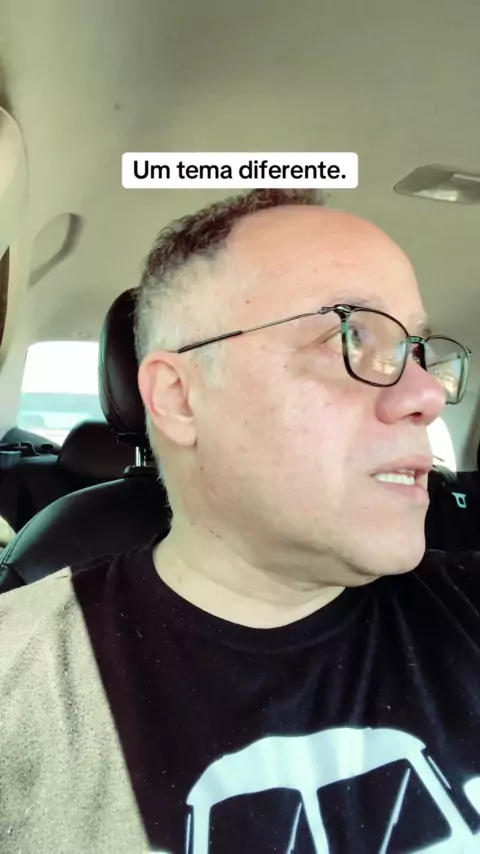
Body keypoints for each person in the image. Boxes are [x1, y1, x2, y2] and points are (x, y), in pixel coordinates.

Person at [0, 188, 478, 854]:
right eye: (351, 336)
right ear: (179, 397)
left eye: (417, 350)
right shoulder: (20, 683)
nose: (427, 393)